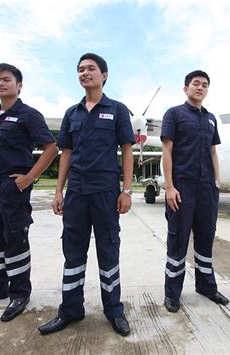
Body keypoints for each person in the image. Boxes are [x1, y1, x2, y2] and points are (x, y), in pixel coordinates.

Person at [38, 53, 134, 337]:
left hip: (105, 192)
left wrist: (127, 190)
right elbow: (65, 153)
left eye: (91, 68)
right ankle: (70, 310)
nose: (85, 73)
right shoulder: (72, 113)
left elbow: (127, 150)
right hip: (77, 192)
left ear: (104, 75)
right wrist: (58, 190)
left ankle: (114, 311)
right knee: (73, 252)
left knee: (108, 250)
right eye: (80, 69)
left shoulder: (117, 110)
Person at [0, 63, 58, 322]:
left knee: (15, 237)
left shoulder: (28, 114)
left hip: (13, 186)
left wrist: (28, 178)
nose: (0, 84)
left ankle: (19, 292)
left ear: (19, 85)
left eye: (6, 79)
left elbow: (51, 149)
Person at [161, 70, 229, 313]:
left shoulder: (210, 119)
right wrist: (169, 186)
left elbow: (213, 151)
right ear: (186, 88)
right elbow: (166, 151)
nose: (200, 88)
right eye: (195, 84)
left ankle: (207, 287)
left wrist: (217, 180)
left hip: (207, 188)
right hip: (182, 187)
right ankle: (172, 294)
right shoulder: (174, 114)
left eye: (204, 85)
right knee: (178, 241)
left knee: (206, 238)